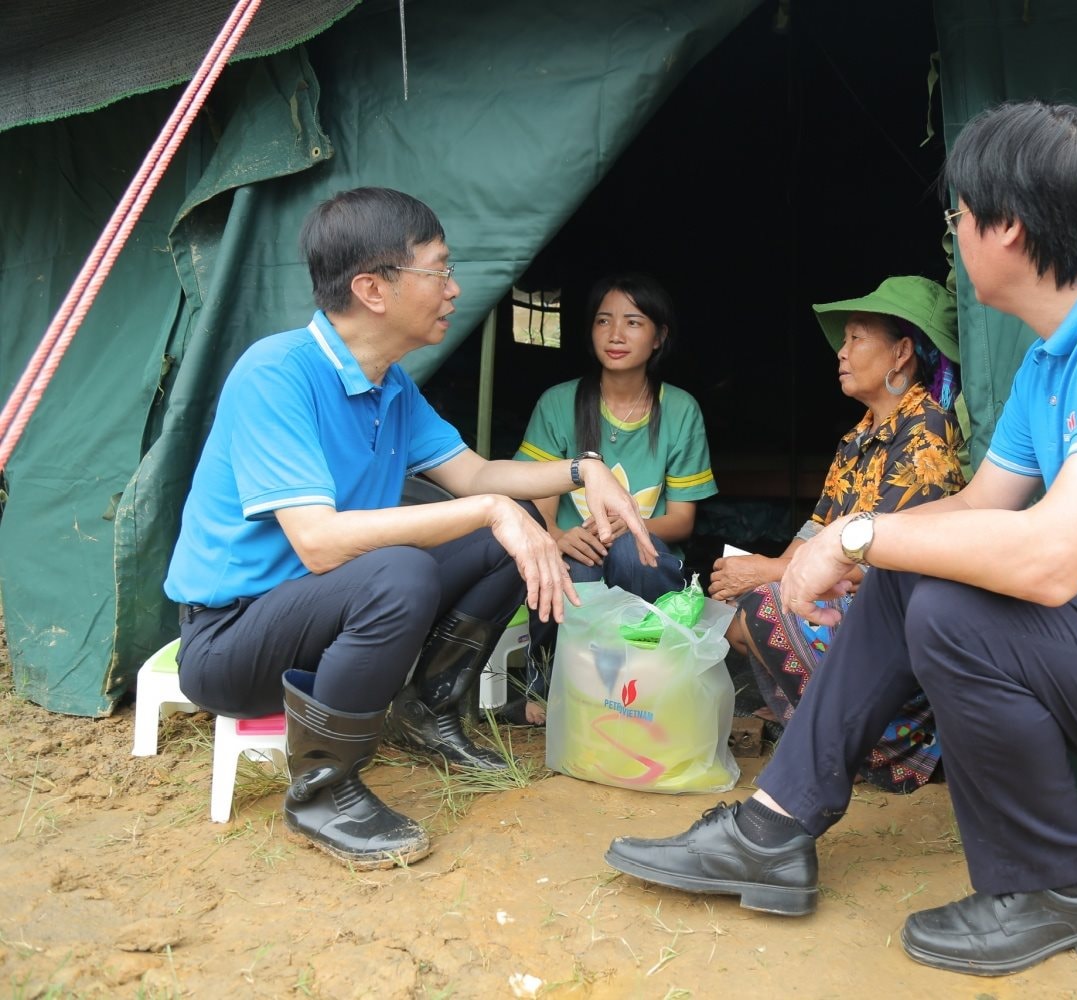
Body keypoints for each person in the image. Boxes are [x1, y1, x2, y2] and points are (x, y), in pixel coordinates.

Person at [603, 101, 1077, 977]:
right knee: (915, 570)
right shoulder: (1054, 358)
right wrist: (843, 541)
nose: (952, 238)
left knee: (944, 598)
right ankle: (775, 826)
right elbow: (982, 506)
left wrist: (862, 536)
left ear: (1008, 228)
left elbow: (1051, 559)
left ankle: (1060, 886)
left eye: (956, 218)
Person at [164, 187, 653, 870]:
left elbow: (477, 477)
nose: (455, 289)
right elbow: (318, 540)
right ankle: (321, 790)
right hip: (232, 642)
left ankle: (427, 711)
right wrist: (496, 512)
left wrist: (583, 471)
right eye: (440, 270)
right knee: (402, 568)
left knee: (499, 544)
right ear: (372, 288)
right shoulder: (277, 375)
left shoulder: (392, 385)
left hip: (321, 609)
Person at [708, 276, 966, 792]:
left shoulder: (928, 431)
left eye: (855, 338)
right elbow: (816, 529)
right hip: (841, 600)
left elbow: (890, 562)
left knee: (763, 612)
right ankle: (840, 739)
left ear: (901, 353)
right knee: (744, 617)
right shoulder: (856, 439)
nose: (841, 353)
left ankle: (898, 749)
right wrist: (763, 578)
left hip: (897, 615)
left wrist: (768, 577)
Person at [507, 273, 717, 725]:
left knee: (622, 547)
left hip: (646, 563)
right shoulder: (559, 403)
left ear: (659, 337)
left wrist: (629, 526)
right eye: (604, 321)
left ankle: (643, 680)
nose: (616, 335)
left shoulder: (680, 410)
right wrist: (558, 536)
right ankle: (553, 685)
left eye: (633, 323)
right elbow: (537, 501)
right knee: (570, 565)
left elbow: (681, 520)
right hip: (579, 554)